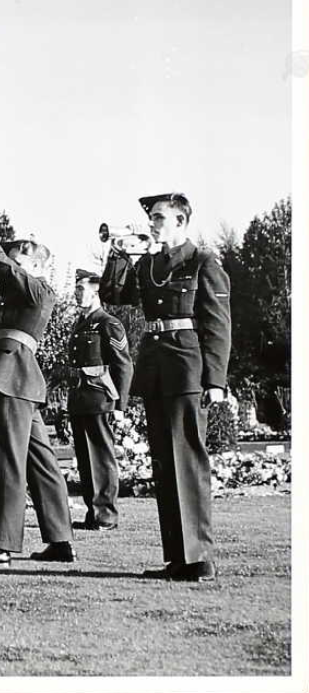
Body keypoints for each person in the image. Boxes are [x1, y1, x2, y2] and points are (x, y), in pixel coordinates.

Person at [100, 192, 230, 582]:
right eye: (152, 217)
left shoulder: (202, 262)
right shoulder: (150, 264)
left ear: (180, 221)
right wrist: (117, 254)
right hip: (156, 369)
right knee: (164, 465)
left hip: (187, 368)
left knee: (187, 462)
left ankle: (199, 558)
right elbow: (114, 296)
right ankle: (177, 558)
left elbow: (218, 324)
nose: (152, 223)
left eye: (159, 217)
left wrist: (215, 380)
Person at [0, 203, 74, 568]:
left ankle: (1, 545)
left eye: (18, 260)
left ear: (36, 266)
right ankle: (60, 540)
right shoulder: (14, 294)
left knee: (6, 460)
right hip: (15, 379)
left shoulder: (38, 289)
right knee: (41, 462)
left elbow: (5, 267)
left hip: (13, 378)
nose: (11, 264)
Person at [67, 268, 133, 532]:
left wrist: (120, 405)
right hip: (80, 399)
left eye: (81, 288)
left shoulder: (108, 323)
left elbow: (123, 365)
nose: (76, 293)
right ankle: (93, 513)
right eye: (76, 288)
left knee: (101, 459)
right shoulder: (80, 324)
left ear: (96, 292)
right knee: (85, 459)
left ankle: (106, 516)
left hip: (100, 399)